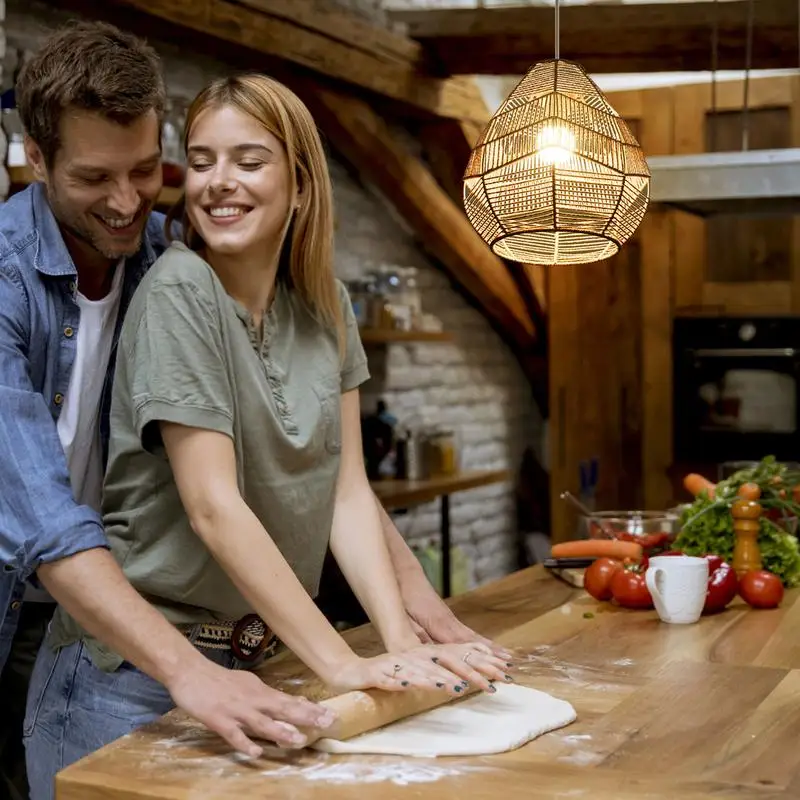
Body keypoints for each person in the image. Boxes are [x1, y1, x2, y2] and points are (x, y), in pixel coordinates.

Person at [23, 71, 514, 799]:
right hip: (126, 680)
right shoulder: (180, 291)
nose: (219, 183)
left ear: (303, 184)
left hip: (255, 667)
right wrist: (341, 664)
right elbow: (212, 508)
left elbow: (345, 491)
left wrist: (402, 642)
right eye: (202, 160)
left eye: (249, 161)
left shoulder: (326, 306)